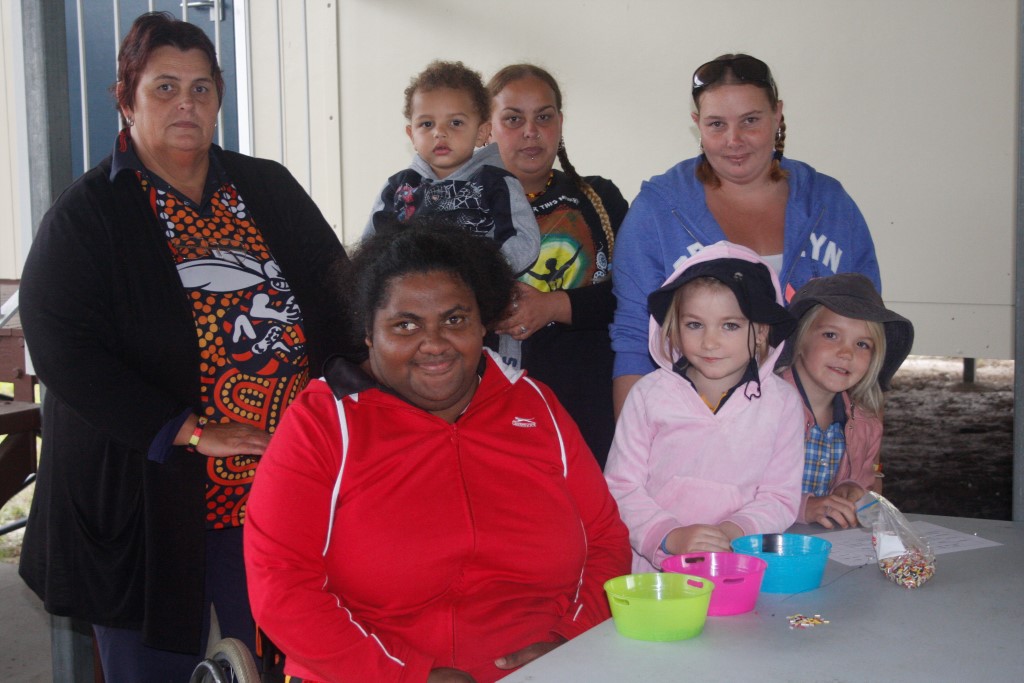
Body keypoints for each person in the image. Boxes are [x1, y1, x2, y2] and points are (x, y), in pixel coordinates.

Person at [17, 12, 360, 680]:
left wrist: (349, 388)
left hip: (274, 482)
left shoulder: (266, 187)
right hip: (148, 494)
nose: (186, 104)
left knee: (276, 655)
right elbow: (63, 344)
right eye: (164, 87)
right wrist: (190, 430)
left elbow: (340, 291)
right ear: (126, 98)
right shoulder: (89, 214)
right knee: (151, 666)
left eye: (202, 89)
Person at [244, 224, 631, 683]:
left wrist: (572, 642)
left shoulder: (536, 406)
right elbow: (282, 587)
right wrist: (407, 678)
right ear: (368, 332)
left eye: (454, 320)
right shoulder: (323, 424)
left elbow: (604, 539)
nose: (435, 344)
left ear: (482, 323)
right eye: (405, 325)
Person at [611, 54, 881, 416]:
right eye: (717, 124)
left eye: (750, 120)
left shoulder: (829, 204)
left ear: (778, 115)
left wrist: (865, 456)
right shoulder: (657, 211)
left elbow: (869, 333)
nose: (734, 140)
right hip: (695, 429)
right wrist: (635, 451)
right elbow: (633, 338)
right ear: (697, 124)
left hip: (812, 431)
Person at [604, 241, 804, 573]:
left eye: (730, 325)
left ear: (761, 332)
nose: (710, 342)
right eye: (695, 325)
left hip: (738, 564)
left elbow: (779, 497)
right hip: (656, 571)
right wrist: (669, 536)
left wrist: (735, 532)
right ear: (675, 327)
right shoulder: (648, 396)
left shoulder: (783, 405)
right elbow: (621, 487)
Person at [486, 63, 628, 468]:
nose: (531, 131)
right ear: (487, 127)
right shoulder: (459, 207)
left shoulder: (599, 199)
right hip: (489, 409)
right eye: (513, 119)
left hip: (589, 407)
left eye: (544, 117)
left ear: (561, 123)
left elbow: (637, 298)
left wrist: (552, 306)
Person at [365, 60, 540, 276]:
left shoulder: (496, 184)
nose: (439, 132)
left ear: (481, 133)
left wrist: (479, 276)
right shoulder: (397, 188)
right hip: (408, 298)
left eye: (455, 123)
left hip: (473, 297)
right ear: (412, 135)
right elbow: (370, 249)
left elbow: (524, 241)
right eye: (427, 124)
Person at [776, 273, 914, 528]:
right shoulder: (762, 408)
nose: (846, 352)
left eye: (862, 344)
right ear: (800, 338)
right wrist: (803, 507)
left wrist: (849, 488)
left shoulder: (864, 422)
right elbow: (739, 490)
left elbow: (865, 481)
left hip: (824, 548)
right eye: (831, 335)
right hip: (757, 547)